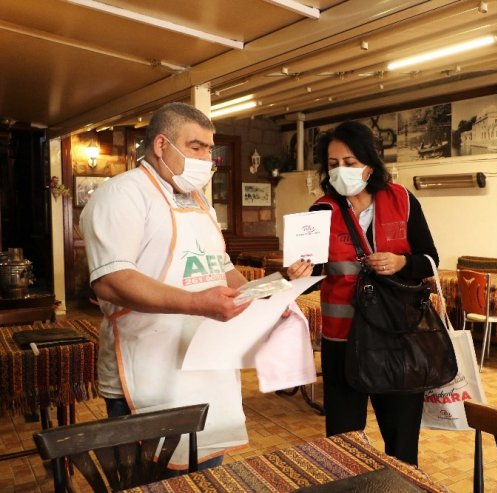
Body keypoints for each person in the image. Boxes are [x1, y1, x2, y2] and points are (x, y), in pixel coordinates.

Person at [80, 102, 308, 472]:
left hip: (208, 364)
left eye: (210, 149)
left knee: (206, 474)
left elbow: (222, 269)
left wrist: (271, 293)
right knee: (152, 478)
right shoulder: (122, 195)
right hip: (148, 367)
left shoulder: (201, 201)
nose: (208, 158)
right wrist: (196, 304)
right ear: (161, 145)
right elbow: (111, 281)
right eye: (196, 147)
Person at [287, 120, 439, 466]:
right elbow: (311, 276)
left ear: (370, 164)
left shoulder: (403, 200)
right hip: (343, 344)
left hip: (398, 338)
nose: (341, 170)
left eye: (350, 162)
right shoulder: (320, 211)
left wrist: (402, 262)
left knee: (402, 445)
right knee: (343, 446)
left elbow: (430, 260)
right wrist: (295, 273)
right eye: (333, 164)